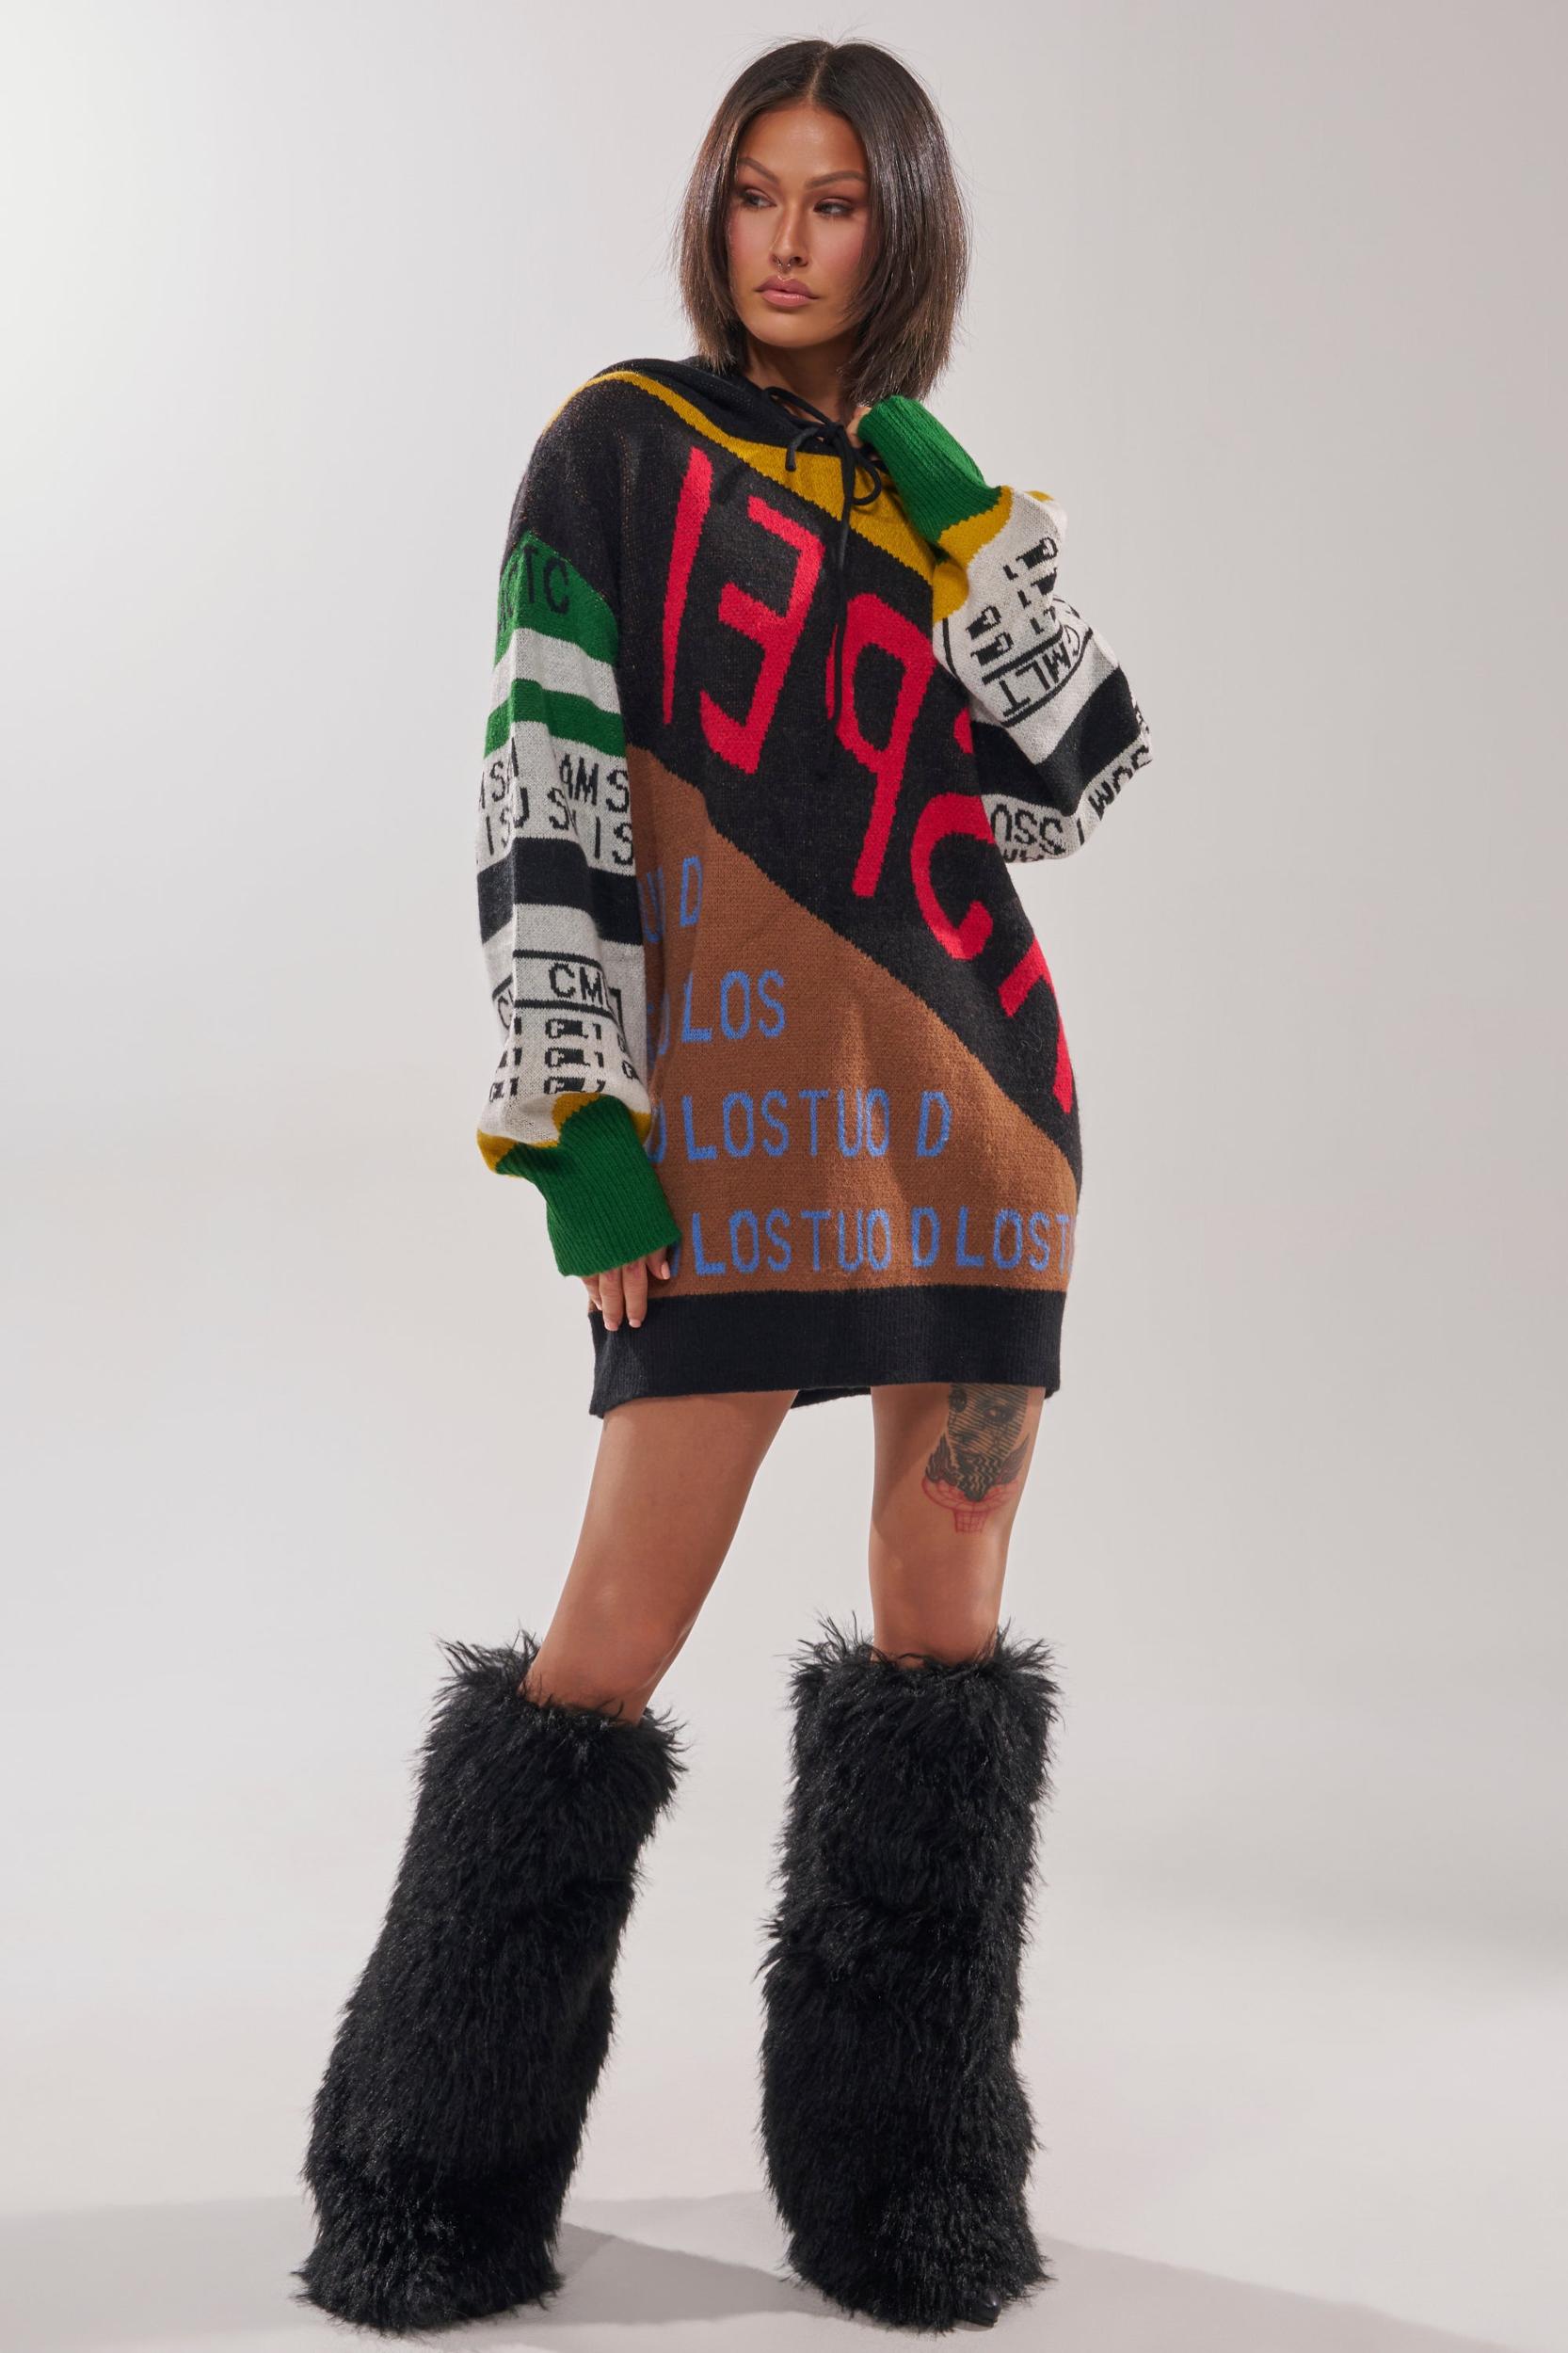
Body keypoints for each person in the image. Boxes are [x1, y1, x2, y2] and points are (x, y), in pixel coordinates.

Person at [292, 33, 1151, 2340]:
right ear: (712, 209)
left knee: (940, 1628)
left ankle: (905, 2187)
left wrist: (967, 520)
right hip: (731, 1124)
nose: (785, 239)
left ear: (901, 228)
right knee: (609, 1634)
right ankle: (420, 2174)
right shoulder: (614, 447)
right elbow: (541, 768)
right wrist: (578, 1127)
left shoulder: (923, 495)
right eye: (756, 193)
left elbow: (1076, 776)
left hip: (973, 1116)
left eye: (833, 201)